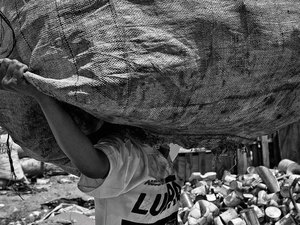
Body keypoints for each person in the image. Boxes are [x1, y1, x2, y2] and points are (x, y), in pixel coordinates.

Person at [0, 58, 181, 225]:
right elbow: (92, 166)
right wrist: (41, 96)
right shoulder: (127, 153)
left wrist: (42, 97)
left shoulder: (152, 149)